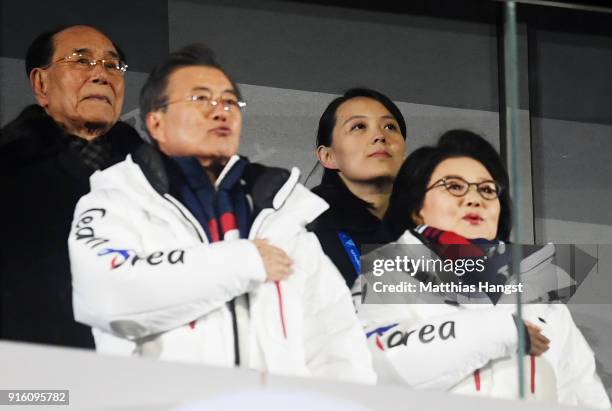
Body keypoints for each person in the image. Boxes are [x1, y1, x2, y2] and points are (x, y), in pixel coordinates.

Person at [67, 44, 375, 383]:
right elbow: (107, 295)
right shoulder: (117, 199)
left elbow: (335, 341)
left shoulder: (282, 212)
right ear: (156, 121)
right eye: (200, 100)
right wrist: (243, 262)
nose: (220, 111)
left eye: (230, 102)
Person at [359, 130, 610, 408]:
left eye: (488, 190)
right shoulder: (384, 272)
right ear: (417, 207)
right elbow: (371, 371)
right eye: (454, 186)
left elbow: (585, 399)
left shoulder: (542, 298)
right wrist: (501, 330)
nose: (474, 199)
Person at [0, 25, 143, 348]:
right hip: (29, 372)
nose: (101, 75)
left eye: (111, 65)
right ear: (41, 83)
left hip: (138, 376)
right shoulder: (8, 169)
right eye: (81, 61)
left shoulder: (160, 181)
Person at [308, 88, 406, 288]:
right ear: (328, 156)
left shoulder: (428, 227)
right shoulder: (304, 227)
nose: (380, 135)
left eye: (390, 126)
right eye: (359, 126)